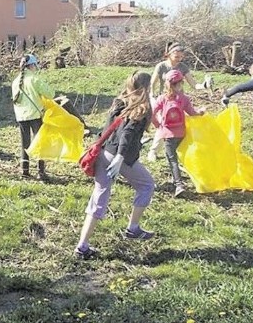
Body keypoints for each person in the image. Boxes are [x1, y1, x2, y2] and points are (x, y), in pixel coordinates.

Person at [75, 71, 156, 259]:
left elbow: (112, 129)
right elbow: (127, 134)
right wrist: (120, 158)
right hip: (118, 157)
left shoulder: (119, 103)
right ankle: (133, 228)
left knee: (99, 197)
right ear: (146, 87)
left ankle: (82, 245)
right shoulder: (141, 108)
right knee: (147, 185)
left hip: (102, 153)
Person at [148, 42, 213, 161]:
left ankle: (181, 151)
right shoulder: (161, 66)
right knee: (164, 126)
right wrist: (152, 95)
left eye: (181, 57)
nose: (179, 59)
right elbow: (153, 82)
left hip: (179, 101)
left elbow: (193, 84)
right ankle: (153, 151)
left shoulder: (183, 67)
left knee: (179, 124)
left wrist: (204, 85)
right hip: (165, 100)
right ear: (169, 54)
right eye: (176, 56)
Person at [152, 69, 205, 197]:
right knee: (182, 157)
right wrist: (201, 112)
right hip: (181, 133)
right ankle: (195, 179)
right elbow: (192, 113)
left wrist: (158, 125)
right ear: (181, 83)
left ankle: (178, 184)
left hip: (168, 133)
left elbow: (152, 113)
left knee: (172, 159)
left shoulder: (162, 98)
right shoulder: (184, 98)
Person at [11, 54, 55, 179]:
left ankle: (24, 171)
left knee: (25, 143)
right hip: (36, 115)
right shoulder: (34, 79)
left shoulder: (15, 82)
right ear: (32, 65)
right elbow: (50, 94)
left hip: (21, 116)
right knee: (39, 142)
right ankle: (41, 172)